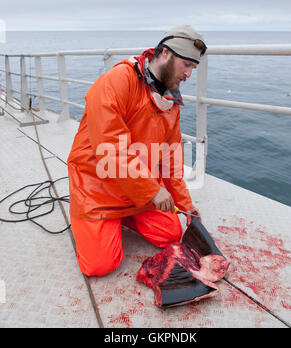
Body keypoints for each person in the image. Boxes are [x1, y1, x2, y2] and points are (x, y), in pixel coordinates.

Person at [67, 25, 207, 277]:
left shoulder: (171, 101)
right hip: (97, 188)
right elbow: (110, 149)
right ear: (165, 53)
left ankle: (124, 219)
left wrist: (187, 206)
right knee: (99, 266)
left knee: (171, 234)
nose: (188, 74)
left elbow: (170, 161)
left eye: (193, 68)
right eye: (186, 64)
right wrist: (153, 190)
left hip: (136, 192)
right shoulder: (117, 81)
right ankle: (93, 219)